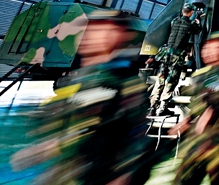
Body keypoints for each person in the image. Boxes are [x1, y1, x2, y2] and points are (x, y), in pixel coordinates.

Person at [11, 10, 154, 185]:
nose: (91, 35)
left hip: (99, 174)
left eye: (104, 30)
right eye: (90, 29)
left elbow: (130, 135)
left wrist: (51, 148)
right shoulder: (79, 78)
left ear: (120, 36)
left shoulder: (121, 82)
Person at [172, 30, 219, 185]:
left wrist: (214, 114)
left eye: (216, 47)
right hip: (195, 139)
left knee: (216, 178)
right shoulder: (201, 75)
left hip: (216, 140)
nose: (208, 52)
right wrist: (187, 119)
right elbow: (197, 103)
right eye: (206, 47)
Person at [149, 2, 202, 114]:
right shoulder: (190, 24)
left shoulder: (174, 21)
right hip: (177, 56)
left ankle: (152, 107)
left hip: (166, 54)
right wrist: (198, 21)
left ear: (183, 11)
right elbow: (197, 30)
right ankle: (162, 107)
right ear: (191, 12)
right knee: (171, 81)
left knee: (161, 79)